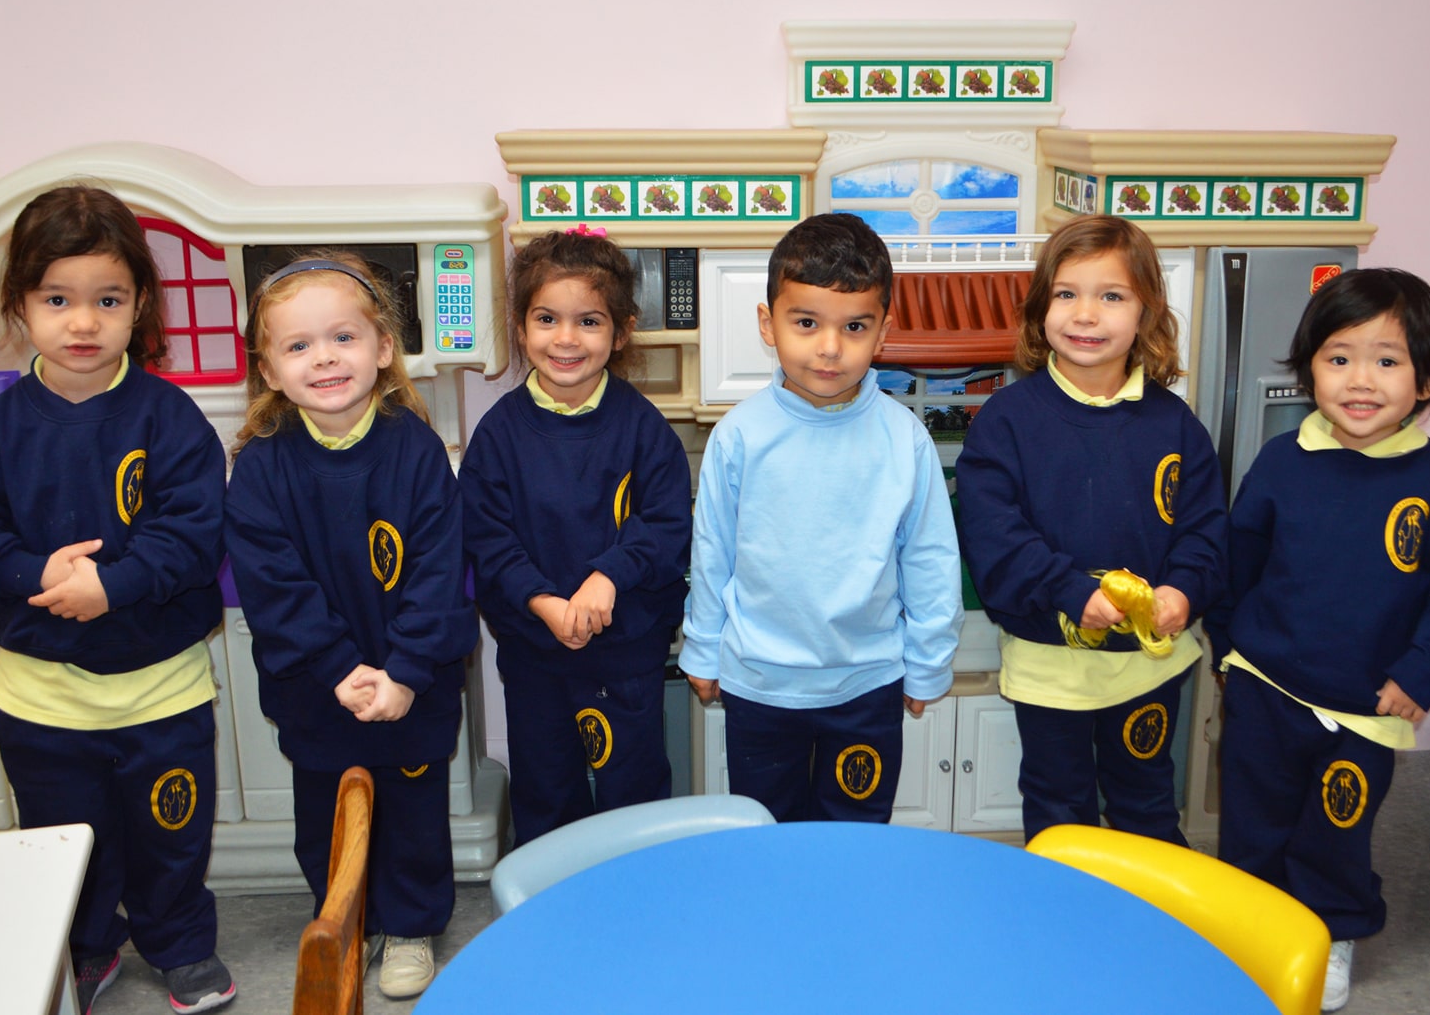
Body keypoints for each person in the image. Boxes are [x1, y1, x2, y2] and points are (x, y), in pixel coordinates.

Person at [0, 185, 235, 1014]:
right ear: (21, 306)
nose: (83, 322)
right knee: (69, 843)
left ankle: (179, 944)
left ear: (139, 305)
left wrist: (113, 585)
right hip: (42, 702)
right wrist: (34, 575)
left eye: (107, 300)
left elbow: (197, 533)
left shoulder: (170, 420)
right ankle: (88, 947)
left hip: (160, 688)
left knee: (172, 838)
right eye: (57, 300)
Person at [1204, 267, 1430, 1013]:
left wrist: (1421, 674)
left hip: (1369, 705)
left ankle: (1328, 933)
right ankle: (1250, 926)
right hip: (1266, 688)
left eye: (1387, 360)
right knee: (1253, 820)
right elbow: (1238, 558)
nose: (1360, 380)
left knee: (1334, 830)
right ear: (1310, 369)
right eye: (1339, 358)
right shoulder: (1281, 462)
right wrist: (1229, 646)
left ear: (1428, 379)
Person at [224, 253, 475, 1000]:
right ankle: (349, 919)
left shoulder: (418, 450)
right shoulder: (262, 467)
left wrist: (403, 672)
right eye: (298, 346)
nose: (324, 357)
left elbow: (437, 573)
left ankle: (409, 924)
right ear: (268, 368)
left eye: (343, 338)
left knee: (413, 812)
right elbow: (276, 589)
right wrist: (340, 669)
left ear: (384, 349)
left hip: (413, 687)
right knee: (327, 817)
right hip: (317, 688)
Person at [680, 212, 963, 823]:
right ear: (768, 323)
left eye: (854, 326)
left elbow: (931, 558)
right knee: (767, 838)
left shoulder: (904, 439)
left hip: (868, 687)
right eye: (806, 323)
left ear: (883, 331)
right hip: (760, 687)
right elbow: (712, 555)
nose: (829, 347)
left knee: (855, 842)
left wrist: (928, 662)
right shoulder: (740, 437)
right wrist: (703, 651)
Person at [955, 214, 1226, 848]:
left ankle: (1153, 934)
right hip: (1051, 670)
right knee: (1058, 812)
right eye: (1067, 294)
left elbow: (1206, 530)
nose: (1086, 314)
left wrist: (1185, 591)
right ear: (1040, 309)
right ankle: (1064, 935)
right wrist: (1075, 592)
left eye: (1112, 296)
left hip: (1149, 671)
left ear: (1146, 313)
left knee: (1147, 807)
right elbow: (995, 538)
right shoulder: (1006, 421)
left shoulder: (1176, 425)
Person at [460, 230, 691, 844]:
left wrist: (607, 576)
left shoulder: (644, 429)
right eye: (546, 319)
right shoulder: (498, 435)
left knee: (632, 790)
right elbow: (487, 539)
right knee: (547, 790)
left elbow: (667, 527)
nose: (565, 339)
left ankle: (635, 903)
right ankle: (551, 911)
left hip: (627, 657)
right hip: (536, 656)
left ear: (620, 331)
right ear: (520, 326)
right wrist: (543, 601)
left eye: (588, 321)